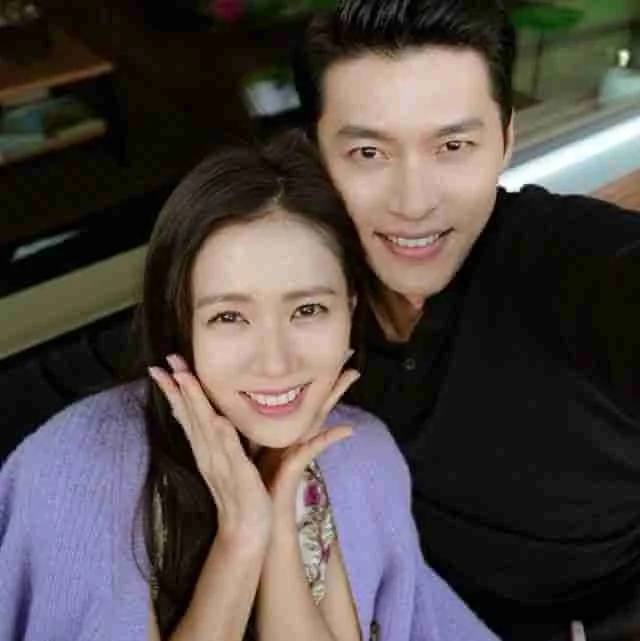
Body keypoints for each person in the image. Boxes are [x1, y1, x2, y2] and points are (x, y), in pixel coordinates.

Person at [0, 131, 498, 641]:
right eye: (230, 316)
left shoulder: (361, 457)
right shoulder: (76, 470)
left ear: (349, 308)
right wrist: (241, 536)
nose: (275, 362)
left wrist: (282, 521)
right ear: (181, 322)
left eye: (308, 310)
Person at [292, 2, 640, 640]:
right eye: (368, 152)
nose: (413, 202)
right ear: (316, 153)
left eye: (453, 146)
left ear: (506, 139)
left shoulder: (572, 267)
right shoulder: (289, 296)